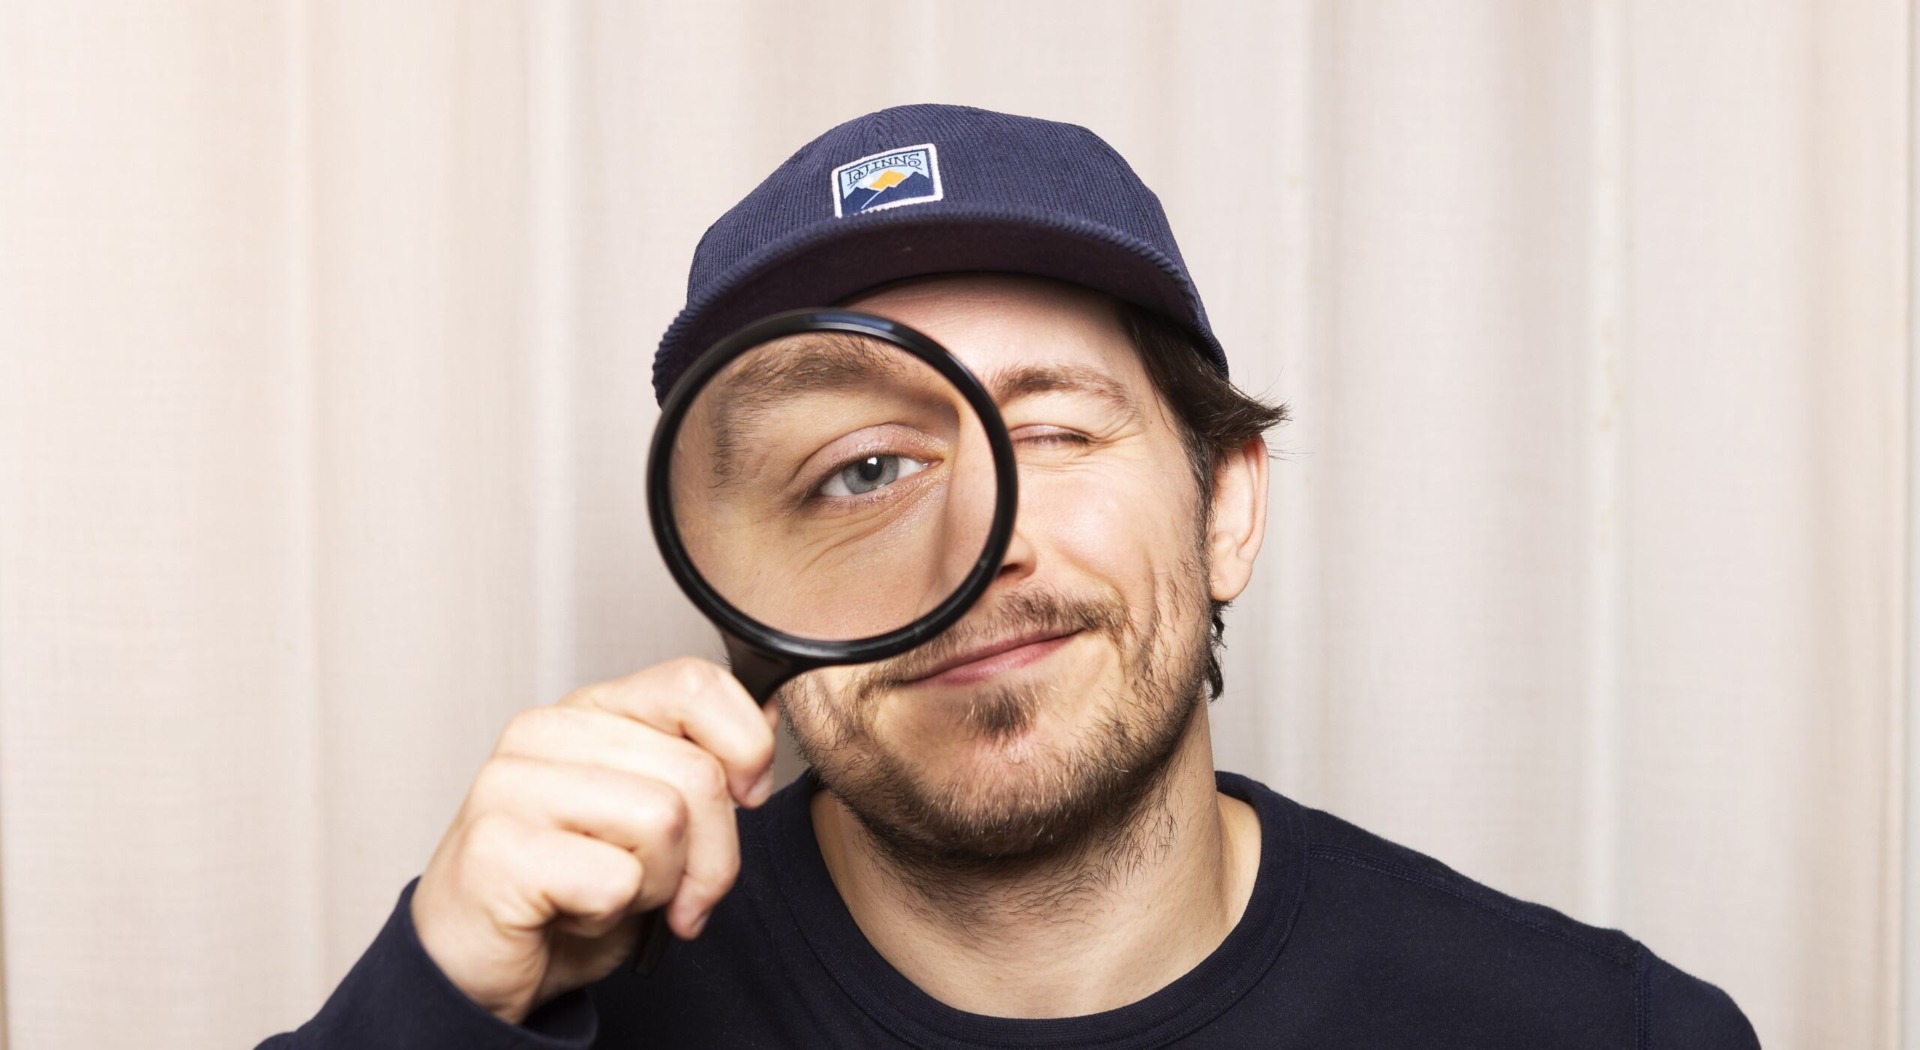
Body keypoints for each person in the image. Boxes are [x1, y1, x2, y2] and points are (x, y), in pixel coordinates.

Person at [259, 104, 1758, 1049]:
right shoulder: (543, 1014)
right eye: (861, 469)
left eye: (1049, 429)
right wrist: (432, 1001)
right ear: (735, 584)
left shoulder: (1598, 1030)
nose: (979, 550)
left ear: (1226, 509)